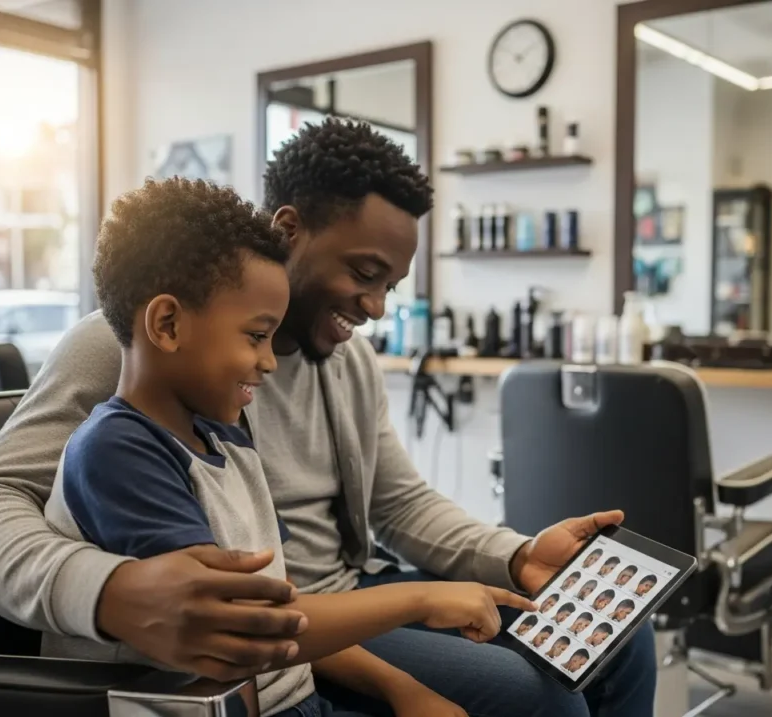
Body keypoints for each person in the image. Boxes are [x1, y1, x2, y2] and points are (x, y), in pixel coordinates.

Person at [0, 118, 657, 717]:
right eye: (365, 273)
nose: (375, 307)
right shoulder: (125, 346)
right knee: (536, 695)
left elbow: (399, 503)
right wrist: (105, 591)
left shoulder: (345, 360)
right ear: (289, 231)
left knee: (621, 641)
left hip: (353, 593)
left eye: (391, 286)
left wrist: (516, 556)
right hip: (299, 622)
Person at [39, 178, 537, 717]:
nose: (270, 361)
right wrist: (420, 599)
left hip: (294, 697)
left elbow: (283, 598)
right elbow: (246, 628)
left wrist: (401, 689)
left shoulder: (229, 440)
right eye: (257, 336)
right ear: (168, 323)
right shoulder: (118, 454)